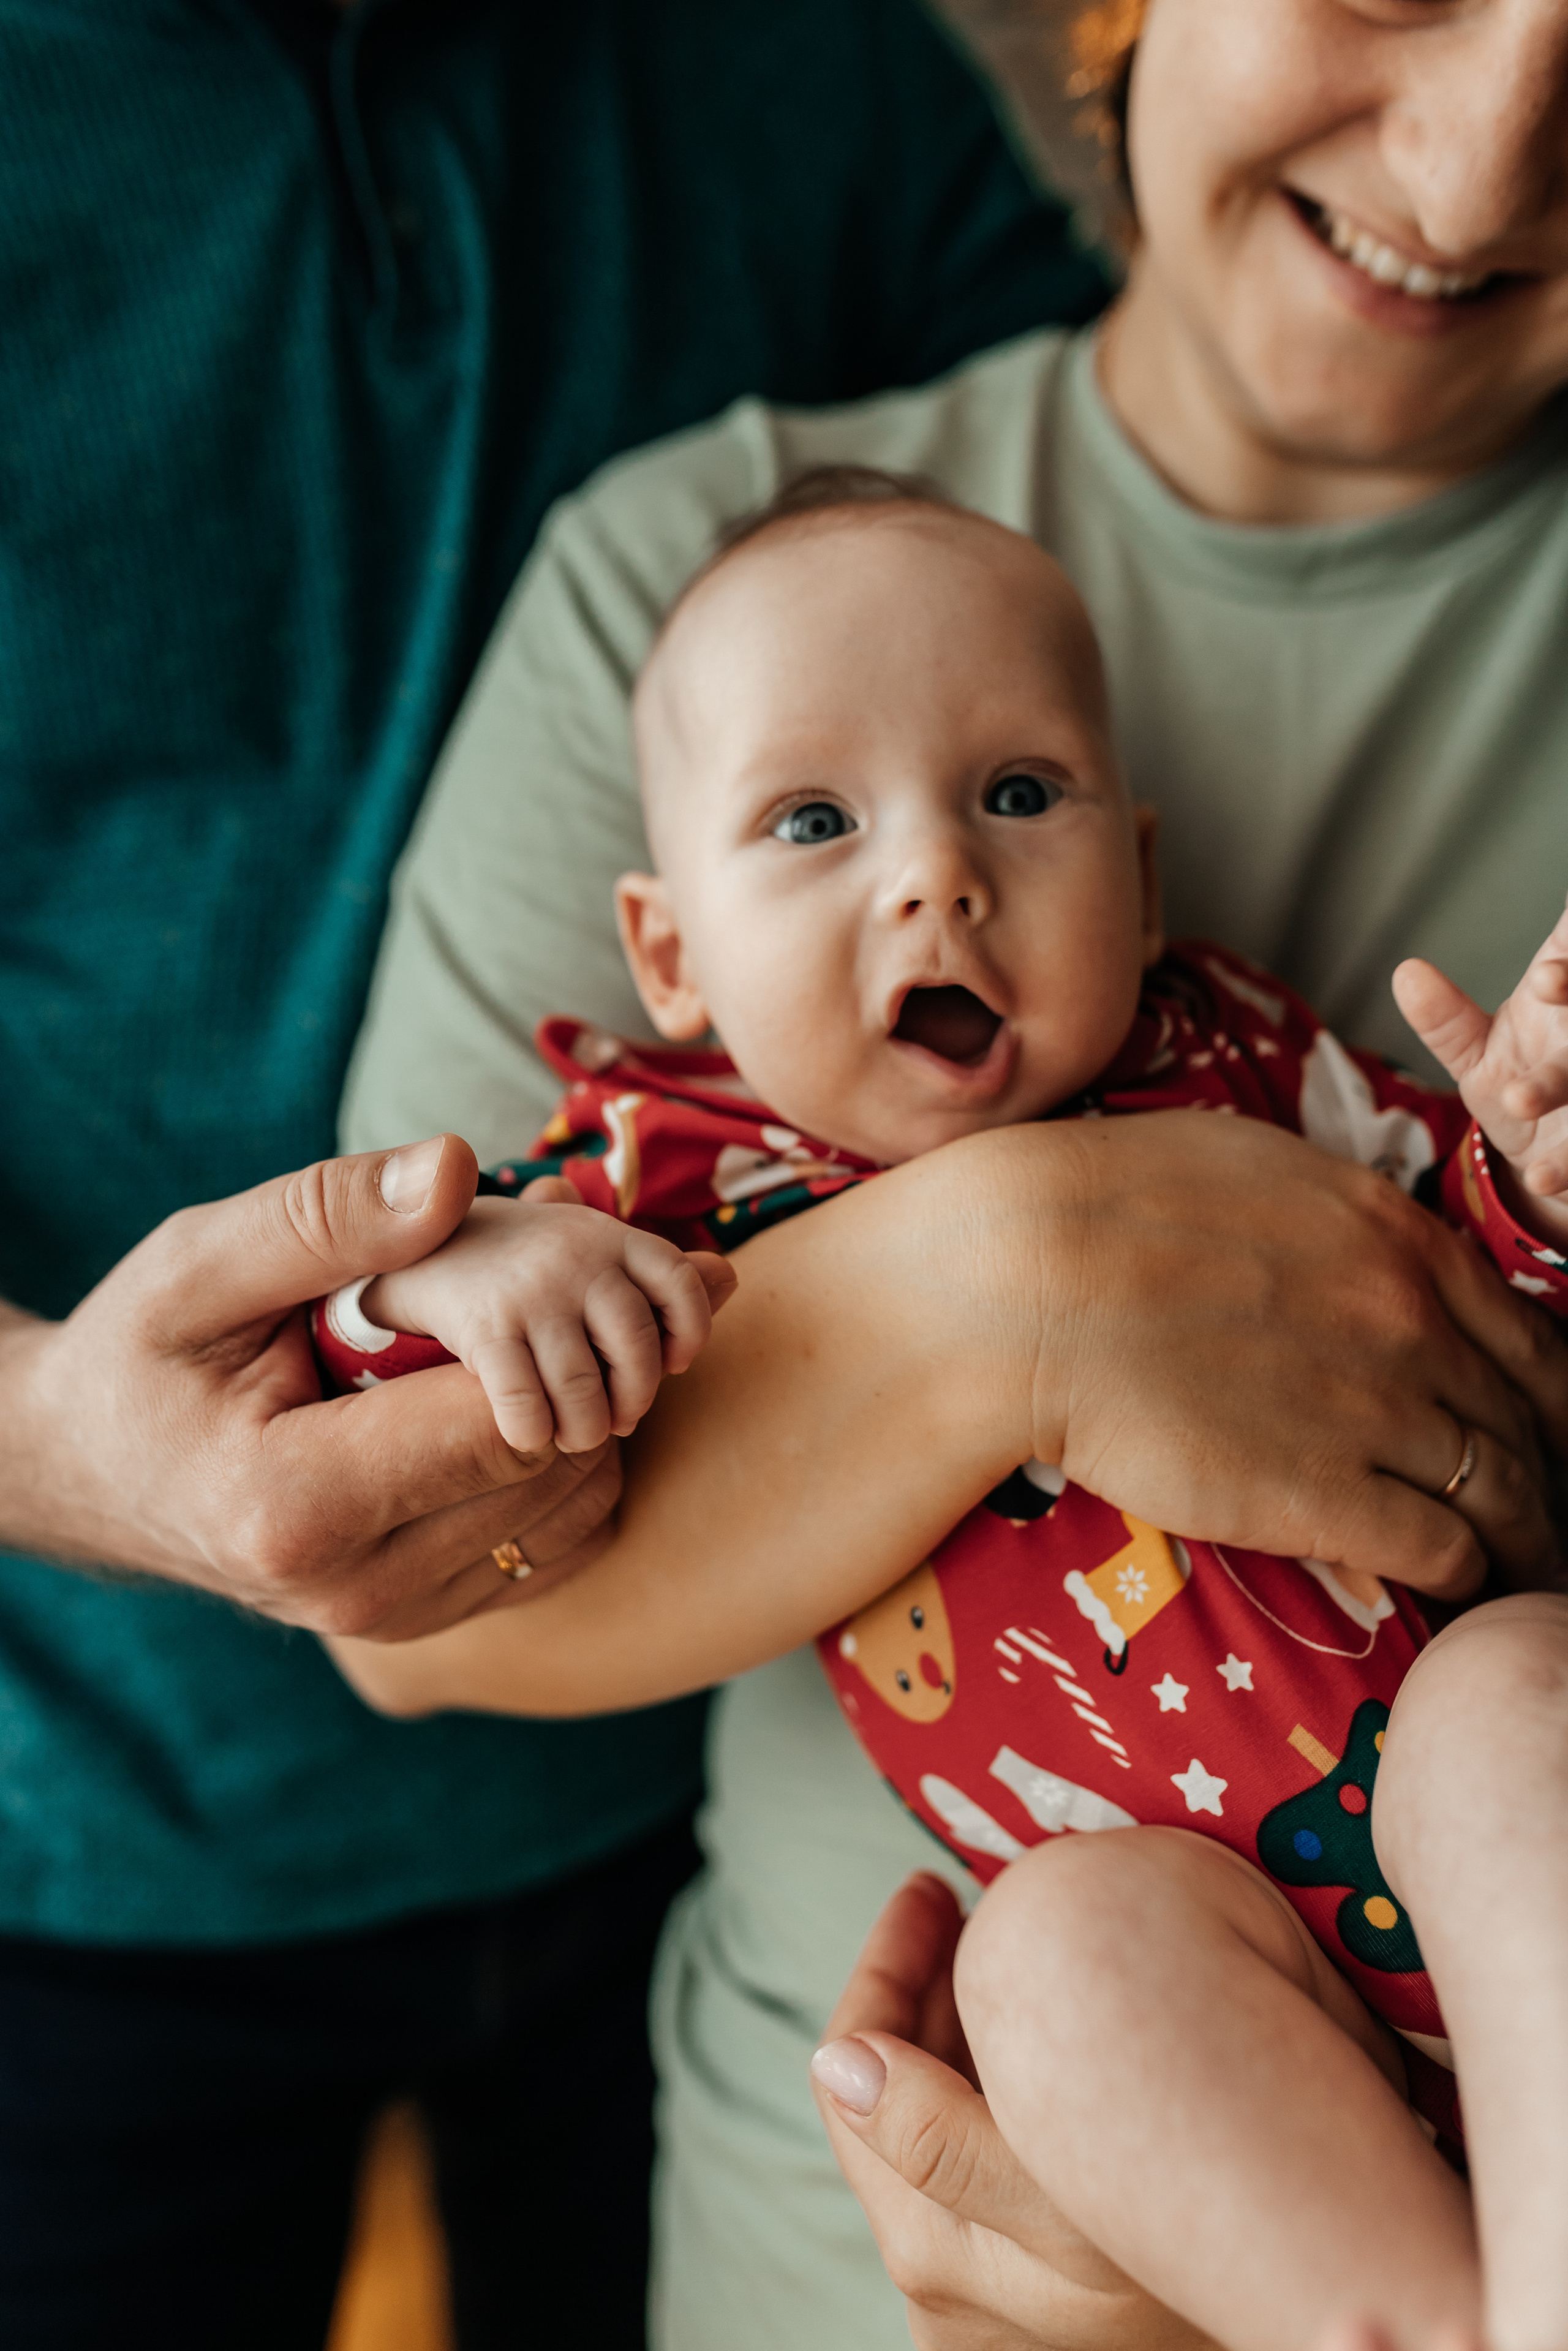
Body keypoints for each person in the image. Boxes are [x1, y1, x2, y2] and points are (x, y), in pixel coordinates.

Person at [337, 0, 1568, 2341]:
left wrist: (1534, 1189)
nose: (1483, 161)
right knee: (1058, 1956)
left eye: (1020, 802)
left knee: (1521, 1700)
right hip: (994, 2088)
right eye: (817, 827)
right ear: (669, 946)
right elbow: (404, 1556)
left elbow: (1459, 1258)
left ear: (1138, 843)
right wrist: (480, 1280)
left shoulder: (1237, 1044)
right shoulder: (658, 1135)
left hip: (1465, 1809)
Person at [0, 6, 1114, 2343]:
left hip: (719, 1764)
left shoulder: (799, 68)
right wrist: (66, 1447)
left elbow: (1099, 508)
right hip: (61, 1845)